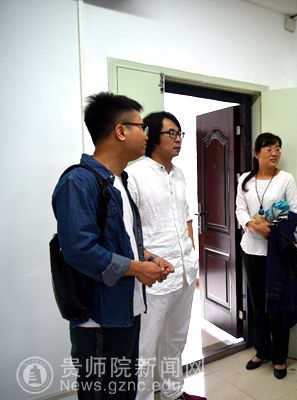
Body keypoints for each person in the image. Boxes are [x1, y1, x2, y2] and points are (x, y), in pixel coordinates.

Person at [52, 92, 174, 400]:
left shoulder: (119, 180)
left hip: (127, 309)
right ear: (120, 131)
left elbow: (120, 238)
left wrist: (148, 258)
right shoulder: (78, 182)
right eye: (141, 127)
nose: (146, 134)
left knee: (122, 391)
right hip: (98, 318)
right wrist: (135, 268)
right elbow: (79, 249)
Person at [126, 112, 202, 400]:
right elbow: (129, 229)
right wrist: (147, 262)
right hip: (154, 277)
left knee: (176, 340)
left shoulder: (179, 174)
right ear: (151, 137)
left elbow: (186, 217)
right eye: (171, 133)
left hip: (184, 272)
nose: (178, 139)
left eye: (180, 133)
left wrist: (191, 255)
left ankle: (173, 393)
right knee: (145, 348)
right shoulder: (134, 175)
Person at [235, 132, 297, 380]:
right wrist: (254, 226)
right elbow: (240, 210)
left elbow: (294, 212)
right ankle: (261, 351)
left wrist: (271, 227)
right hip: (251, 249)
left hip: (276, 252)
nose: (275, 153)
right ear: (256, 153)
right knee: (258, 304)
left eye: (278, 148)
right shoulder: (245, 180)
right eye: (269, 148)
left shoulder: (286, 179)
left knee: (278, 306)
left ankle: (280, 357)